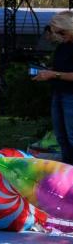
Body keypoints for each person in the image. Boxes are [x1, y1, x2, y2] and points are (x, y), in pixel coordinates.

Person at [42, 12, 73, 158]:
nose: (60, 36)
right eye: (57, 33)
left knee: (72, 136)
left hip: (70, 95)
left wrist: (54, 74)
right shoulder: (63, 46)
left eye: (62, 32)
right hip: (59, 92)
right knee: (62, 137)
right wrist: (48, 72)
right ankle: (68, 174)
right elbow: (62, 68)